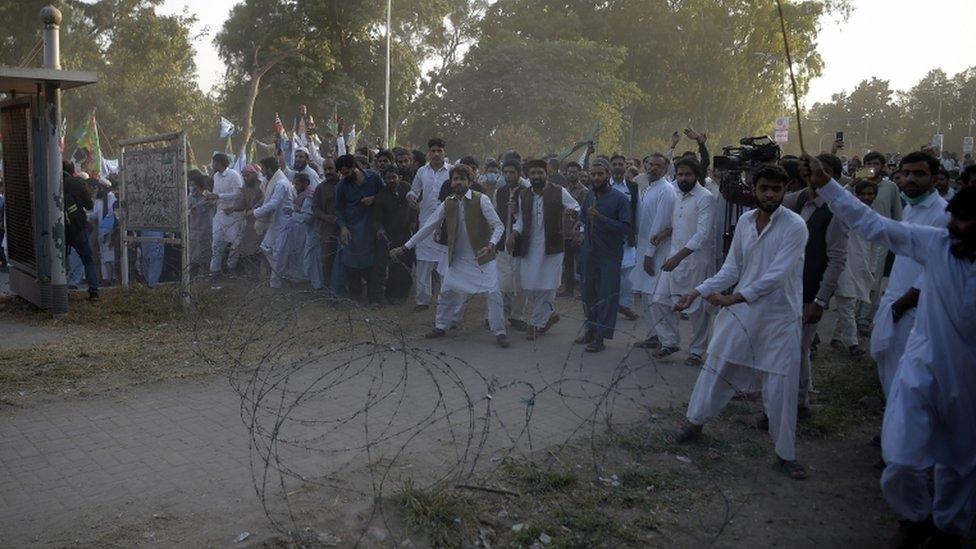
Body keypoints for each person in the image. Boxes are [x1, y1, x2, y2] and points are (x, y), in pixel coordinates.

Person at [801, 154, 976, 547]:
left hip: (969, 381)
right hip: (924, 365)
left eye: (970, 226)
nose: (959, 231)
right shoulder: (938, 244)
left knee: (960, 466)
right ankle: (914, 516)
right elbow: (873, 225)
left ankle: (947, 530)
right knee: (900, 458)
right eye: (957, 223)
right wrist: (828, 185)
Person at [670, 165, 809, 480]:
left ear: (785, 189)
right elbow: (731, 269)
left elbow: (777, 275)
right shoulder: (745, 222)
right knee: (717, 365)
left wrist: (734, 298)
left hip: (779, 315)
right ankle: (694, 424)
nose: (770, 194)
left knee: (779, 385)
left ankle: (785, 454)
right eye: (764, 188)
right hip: (743, 311)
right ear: (754, 188)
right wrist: (697, 291)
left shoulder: (795, 226)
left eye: (776, 189)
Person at [392, 164, 510, 348]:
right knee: (446, 292)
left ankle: (500, 331)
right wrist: (406, 247)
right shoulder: (448, 203)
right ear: (451, 182)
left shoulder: (482, 199)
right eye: (455, 179)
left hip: (483, 258)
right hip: (457, 260)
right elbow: (428, 227)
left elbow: (499, 226)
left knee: (493, 292)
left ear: (469, 182)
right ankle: (441, 326)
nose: (458, 182)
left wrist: (491, 245)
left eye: (462, 179)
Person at [867, 152, 949, 398]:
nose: (910, 179)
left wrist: (900, 307)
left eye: (919, 174)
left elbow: (934, 270)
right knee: (888, 369)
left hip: (915, 309)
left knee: (908, 378)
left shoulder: (943, 214)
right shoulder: (911, 209)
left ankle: (900, 434)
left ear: (934, 179)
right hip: (895, 302)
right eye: (906, 173)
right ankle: (890, 431)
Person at [781, 153, 848, 416]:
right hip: (784, 288)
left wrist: (820, 300)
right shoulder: (792, 201)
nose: (814, 175)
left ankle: (798, 403)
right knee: (784, 346)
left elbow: (836, 260)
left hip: (810, 293)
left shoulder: (835, 210)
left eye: (823, 171)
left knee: (798, 348)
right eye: (810, 169)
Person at [651, 157, 715, 366]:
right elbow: (676, 224)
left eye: (688, 174)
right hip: (674, 257)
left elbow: (702, 234)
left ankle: (696, 351)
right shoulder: (676, 195)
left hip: (694, 261)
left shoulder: (705, 198)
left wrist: (678, 257)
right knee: (659, 300)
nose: (683, 178)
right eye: (680, 174)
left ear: (696, 175)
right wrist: (663, 234)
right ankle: (669, 341)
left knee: (698, 310)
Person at [508, 159, 580, 340]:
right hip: (529, 247)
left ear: (546, 174)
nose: (536, 176)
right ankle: (550, 313)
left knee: (547, 286)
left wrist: (572, 213)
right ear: (528, 176)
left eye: (540, 173)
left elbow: (576, 207)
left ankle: (536, 324)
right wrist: (514, 234)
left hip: (552, 247)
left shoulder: (559, 191)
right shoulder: (523, 195)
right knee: (529, 286)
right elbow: (521, 221)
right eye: (533, 173)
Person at [575, 159, 633, 352]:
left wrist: (601, 219)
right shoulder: (590, 195)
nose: (597, 177)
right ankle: (591, 329)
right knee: (588, 294)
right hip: (589, 253)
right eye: (594, 174)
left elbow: (626, 227)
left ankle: (601, 336)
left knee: (606, 296)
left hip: (609, 255)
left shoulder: (621, 199)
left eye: (601, 174)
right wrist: (578, 228)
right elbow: (583, 217)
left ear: (608, 175)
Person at [630, 153, 676, 350]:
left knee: (657, 298)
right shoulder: (650, 188)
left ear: (665, 169)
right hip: (644, 250)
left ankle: (668, 341)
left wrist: (650, 254)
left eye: (658, 166)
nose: (652, 168)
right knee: (647, 296)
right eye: (650, 164)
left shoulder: (666, 190)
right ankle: (655, 335)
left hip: (656, 252)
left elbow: (660, 225)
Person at [830, 180, 878, 357]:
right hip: (844, 263)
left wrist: (871, 268)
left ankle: (837, 336)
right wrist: (849, 185)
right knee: (847, 302)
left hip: (861, 266)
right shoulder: (846, 213)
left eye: (870, 194)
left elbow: (875, 246)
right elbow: (836, 199)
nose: (866, 197)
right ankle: (852, 343)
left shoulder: (873, 217)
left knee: (851, 302)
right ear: (855, 195)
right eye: (862, 193)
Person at [859, 151, 904, 332]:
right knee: (858, 275)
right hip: (858, 236)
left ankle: (864, 319)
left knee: (875, 278)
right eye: (869, 163)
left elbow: (897, 214)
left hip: (881, 238)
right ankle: (852, 317)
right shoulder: (857, 184)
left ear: (883, 166)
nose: (873, 167)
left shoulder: (890, 187)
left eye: (876, 163)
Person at [407, 138, 452, 311]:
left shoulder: (451, 172)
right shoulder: (421, 172)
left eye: (439, 151)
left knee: (444, 266)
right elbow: (414, 190)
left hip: (446, 225)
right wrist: (411, 197)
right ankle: (422, 301)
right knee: (423, 264)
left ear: (444, 152)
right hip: (425, 223)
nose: (436, 154)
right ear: (428, 152)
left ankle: (444, 301)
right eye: (433, 151)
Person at [335, 154, 383, 306]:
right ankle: (355, 296)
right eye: (342, 174)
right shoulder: (342, 186)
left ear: (354, 167)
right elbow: (338, 209)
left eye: (347, 173)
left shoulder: (373, 178)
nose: (345, 176)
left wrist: (374, 199)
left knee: (372, 265)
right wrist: (343, 227)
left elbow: (384, 195)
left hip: (371, 227)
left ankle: (374, 299)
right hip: (352, 229)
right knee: (351, 263)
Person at [494, 156, 530, 330]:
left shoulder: (527, 191)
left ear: (519, 173)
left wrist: (517, 213)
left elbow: (530, 219)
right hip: (501, 244)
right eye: (505, 173)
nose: (508, 176)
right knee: (501, 283)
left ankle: (517, 316)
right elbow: (494, 216)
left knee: (520, 283)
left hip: (521, 244)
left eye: (511, 172)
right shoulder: (499, 191)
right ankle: (495, 316)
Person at [372, 166, 415, 303]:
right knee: (380, 266)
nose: (391, 180)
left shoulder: (407, 188)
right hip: (387, 236)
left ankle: (399, 295)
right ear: (384, 179)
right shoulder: (381, 196)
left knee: (402, 266)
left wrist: (414, 221)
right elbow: (376, 219)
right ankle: (377, 299)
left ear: (399, 177)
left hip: (405, 235)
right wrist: (379, 229)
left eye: (393, 177)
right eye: (388, 178)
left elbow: (415, 206)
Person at [252, 157, 296, 289]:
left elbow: (273, 204)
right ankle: (279, 278)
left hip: (283, 224)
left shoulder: (281, 183)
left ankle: (276, 285)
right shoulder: (274, 182)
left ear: (269, 169)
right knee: (267, 249)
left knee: (278, 255)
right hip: (276, 223)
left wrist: (255, 213)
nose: (263, 172)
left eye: (264, 169)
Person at [609, 154, 640, 320]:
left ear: (625, 167)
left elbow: (638, 211)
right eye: (614, 164)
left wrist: (637, 233)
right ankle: (611, 305)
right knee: (611, 273)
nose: (618, 166)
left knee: (628, 274)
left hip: (627, 238)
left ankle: (626, 305)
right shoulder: (604, 185)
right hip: (608, 238)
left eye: (621, 163)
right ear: (610, 167)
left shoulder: (633, 187)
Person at [206, 153, 245, 283]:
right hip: (220, 215)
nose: (212, 165)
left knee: (235, 244)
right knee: (216, 244)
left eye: (214, 162)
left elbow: (238, 194)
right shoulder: (215, 176)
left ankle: (231, 269)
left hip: (233, 215)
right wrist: (212, 198)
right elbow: (216, 194)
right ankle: (215, 272)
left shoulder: (234, 175)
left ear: (220, 163)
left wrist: (219, 196)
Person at [63, 175, 101, 300]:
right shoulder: (76, 183)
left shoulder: (51, 180)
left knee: (60, 260)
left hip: (59, 228)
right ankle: (94, 291)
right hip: (77, 227)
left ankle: (62, 290)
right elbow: (89, 205)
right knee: (87, 259)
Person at [558, 161, 589, 297]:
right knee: (568, 262)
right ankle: (568, 290)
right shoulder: (562, 190)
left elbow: (585, 212)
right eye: (569, 172)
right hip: (565, 231)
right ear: (565, 173)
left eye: (574, 172)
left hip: (578, 232)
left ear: (579, 173)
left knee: (582, 262)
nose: (571, 174)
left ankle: (585, 290)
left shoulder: (584, 191)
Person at [230, 164, 266, 279]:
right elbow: (242, 204)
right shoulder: (245, 188)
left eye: (248, 175)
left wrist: (254, 210)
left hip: (263, 221)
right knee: (248, 249)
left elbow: (264, 201)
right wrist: (233, 208)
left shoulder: (263, 186)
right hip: (250, 224)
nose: (246, 178)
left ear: (255, 174)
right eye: (244, 176)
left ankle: (264, 275)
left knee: (262, 249)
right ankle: (253, 275)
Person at [312, 157, 342, 296]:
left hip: (345, 230)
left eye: (330, 168)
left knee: (344, 261)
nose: (328, 171)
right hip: (328, 231)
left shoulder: (345, 184)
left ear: (337, 169)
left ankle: (344, 289)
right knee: (328, 260)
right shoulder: (320, 188)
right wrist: (326, 217)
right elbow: (315, 208)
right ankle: (328, 291)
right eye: (325, 169)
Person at [187, 171, 215, 278]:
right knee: (193, 258)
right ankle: (191, 280)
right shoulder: (191, 197)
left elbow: (212, 206)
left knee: (205, 257)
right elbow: (187, 209)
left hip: (206, 230)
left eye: (194, 184)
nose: (192, 187)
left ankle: (206, 279)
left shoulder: (209, 197)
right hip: (193, 230)